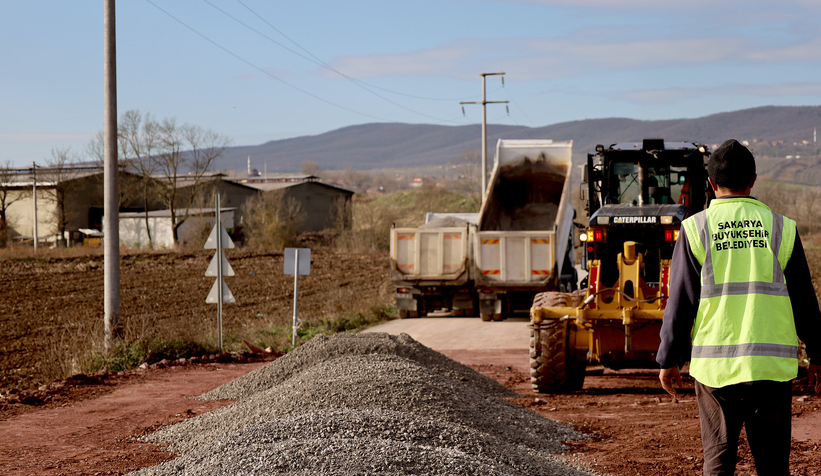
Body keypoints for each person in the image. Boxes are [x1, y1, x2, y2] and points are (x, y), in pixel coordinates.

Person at [656, 139, 821, 476]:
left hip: (715, 371)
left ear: (712, 184)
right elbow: (804, 299)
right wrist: (818, 353)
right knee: (773, 466)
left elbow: (681, 301)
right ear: (754, 180)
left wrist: (669, 359)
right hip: (771, 368)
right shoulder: (782, 228)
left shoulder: (695, 229)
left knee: (718, 463)